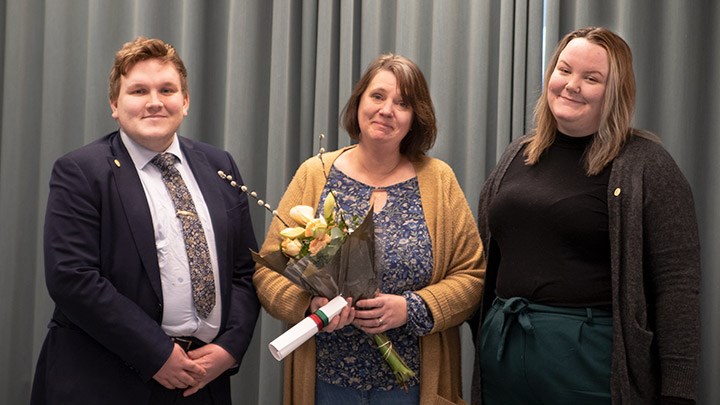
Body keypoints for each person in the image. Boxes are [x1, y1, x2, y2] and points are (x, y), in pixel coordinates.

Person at [471, 27, 700, 405]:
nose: (571, 85)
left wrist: (677, 391)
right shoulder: (518, 154)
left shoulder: (647, 165)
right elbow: (483, 262)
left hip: (589, 363)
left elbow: (677, 288)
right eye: (564, 70)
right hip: (504, 355)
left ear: (615, 92)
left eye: (591, 78)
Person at [30, 37, 261, 405]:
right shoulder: (81, 171)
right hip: (107, 378)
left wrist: (230, 347)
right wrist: (157, 354)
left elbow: (245, 271)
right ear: (115, 105)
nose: (154, 101)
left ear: (184, 101)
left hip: (202, 381)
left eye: (167, 89)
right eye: (138, 90)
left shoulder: (220, 165)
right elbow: (72, 277)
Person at [253, 53, 485, 404]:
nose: (386, 109)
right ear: (359, 101)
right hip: (325, 383)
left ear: (415, 118)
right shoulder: (315, 173)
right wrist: (310, 307)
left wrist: (413, 307)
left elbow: (472, 277)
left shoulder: (439, 181)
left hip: (412, 386)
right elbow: (267, 274)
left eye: (402, 103)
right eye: (377, 96)